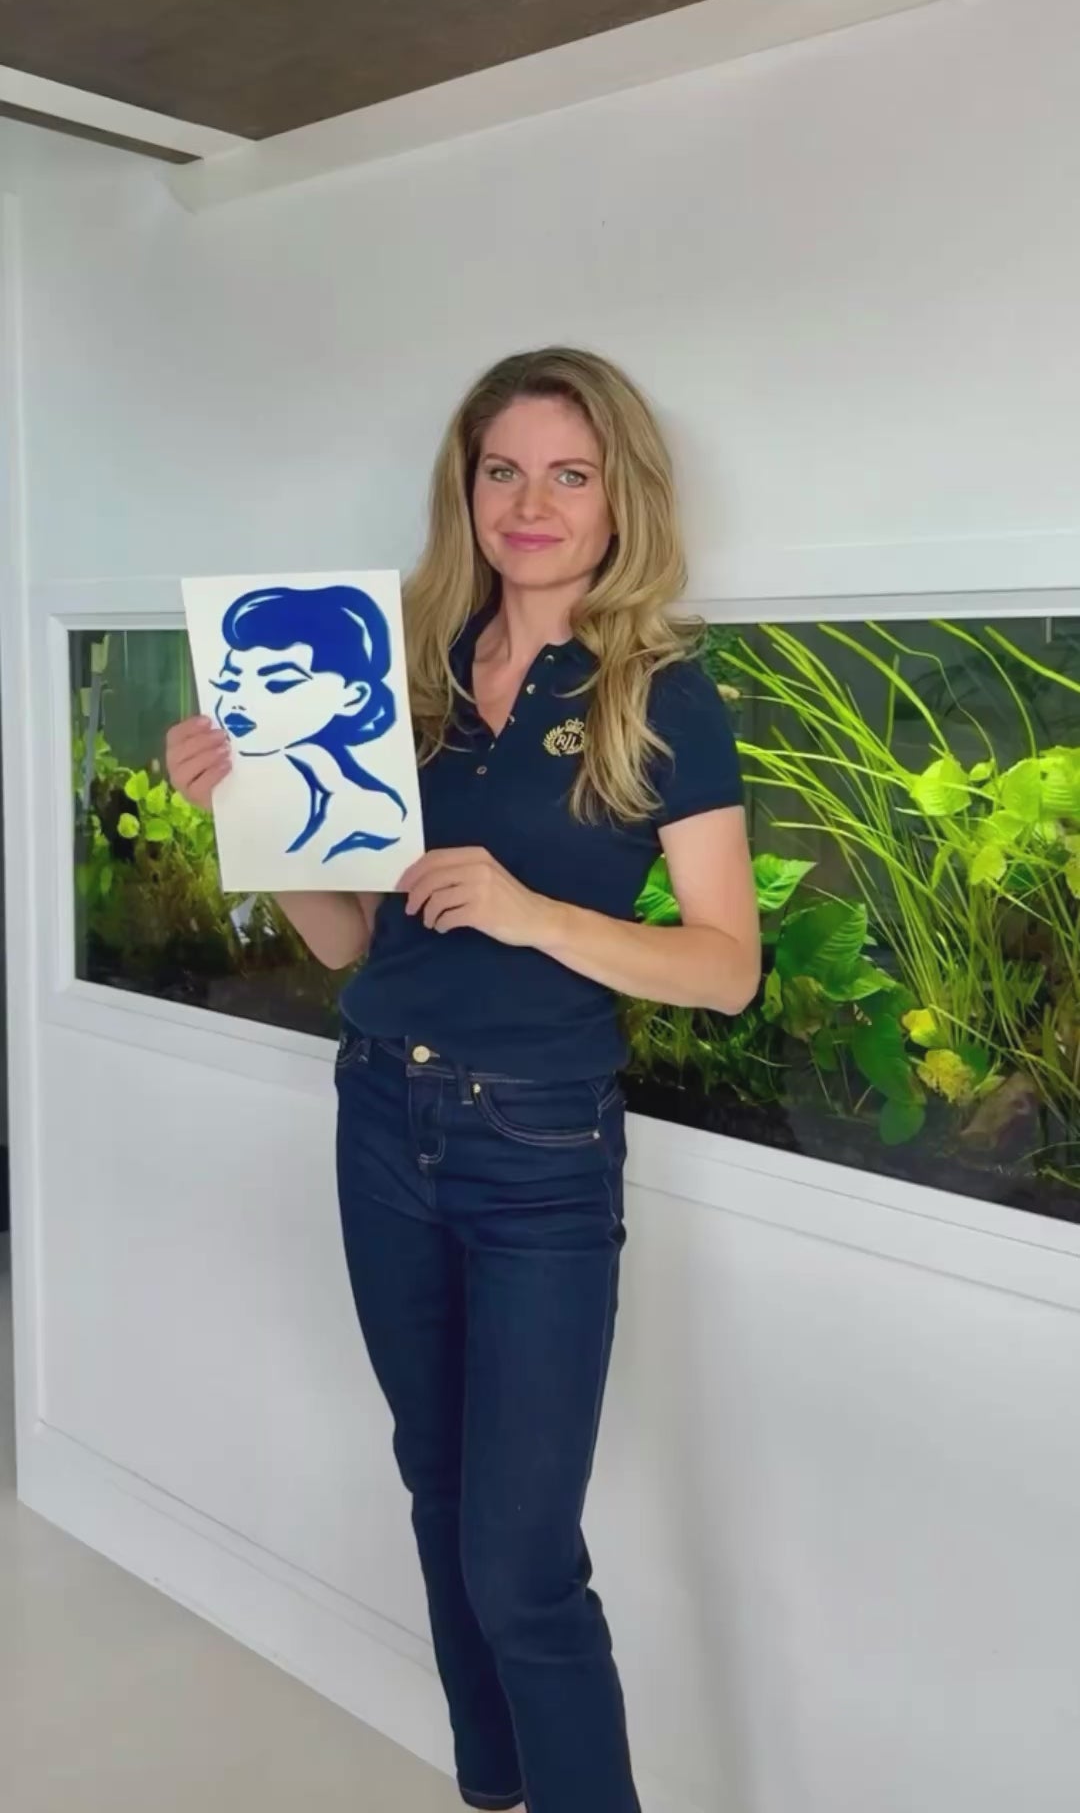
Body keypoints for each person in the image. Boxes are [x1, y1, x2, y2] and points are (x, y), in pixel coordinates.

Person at [166, 346, 760, 1813]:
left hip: (540, 1152)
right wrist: (243, 809)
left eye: (569, 473)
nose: (531, 504)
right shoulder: (401, 676)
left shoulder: (661, 693)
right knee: (435, 1486)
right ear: (467, 487)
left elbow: (726, 966)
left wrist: (531, 911)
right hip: (382, 1115)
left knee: (523, 1562)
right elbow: (345, 939)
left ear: (619, 495)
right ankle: (491, 1786)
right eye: (504, 470)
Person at [210, 582, 408, 861]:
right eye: (229, 683)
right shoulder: (269, 781)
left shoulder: (370, 817)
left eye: (278, 684)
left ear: (353, 696)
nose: (240, 701)